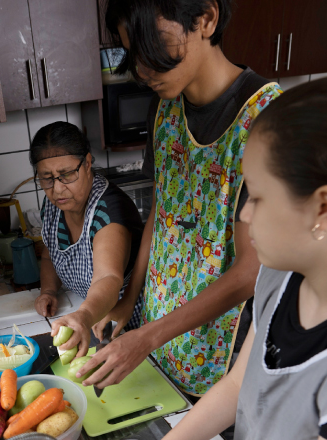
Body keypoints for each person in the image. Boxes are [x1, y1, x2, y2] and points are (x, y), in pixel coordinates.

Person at [78, 0, 283, 395]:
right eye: (132, 54)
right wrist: (128, 302)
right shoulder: (164, 109)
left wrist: (147, 337)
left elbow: (251, 272)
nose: (141, 71)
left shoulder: (265, 119)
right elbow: (163, 214)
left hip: (218, 354)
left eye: (151, 47)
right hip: (158, 337)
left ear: (205, 18)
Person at [163, 77, 327, 440]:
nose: (246, 215)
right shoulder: (276, 276)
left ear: (322, 207)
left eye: (257, 196)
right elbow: (237, 386)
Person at [31, 121, 144, 356]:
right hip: (93, 318)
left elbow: (108, 277)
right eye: (46, 178)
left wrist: (83, 316)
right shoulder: (52, 207)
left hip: (130, 321)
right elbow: (50, 252)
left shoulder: (109, 209)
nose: (58, 189)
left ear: (88, 163)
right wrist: (49, 291)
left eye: (67, 175)